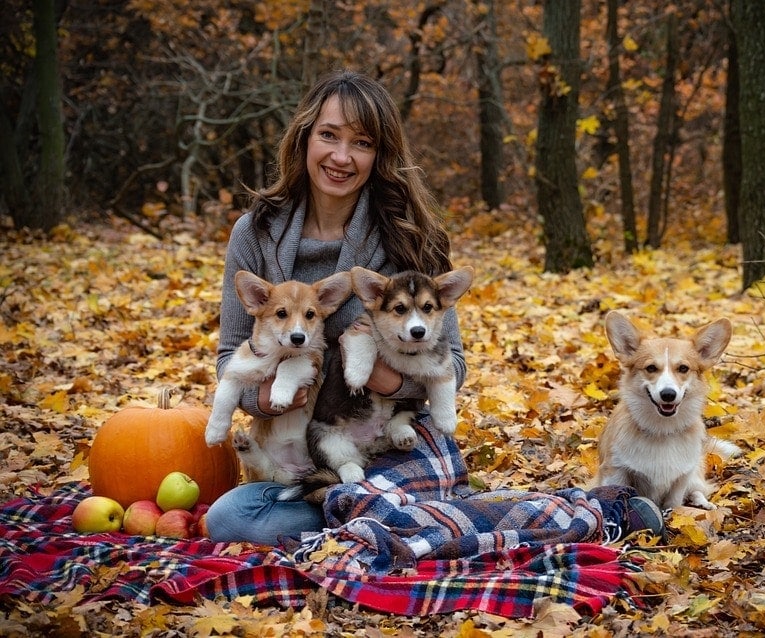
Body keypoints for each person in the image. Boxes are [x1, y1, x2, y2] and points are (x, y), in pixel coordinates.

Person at [204, 70, 664, 549]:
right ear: (304, 138)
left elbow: (455, 364)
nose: (341, 157)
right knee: (234, 520)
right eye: (328, 136)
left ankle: (600, 510)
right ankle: (414, 521)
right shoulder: (254, 234)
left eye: (361, 142)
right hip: (302, 450)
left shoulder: (407, 236)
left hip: (392, 443)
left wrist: (393, 382)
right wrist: (268, 400)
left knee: (366, 513)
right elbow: (228, 357)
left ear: (379, 155)